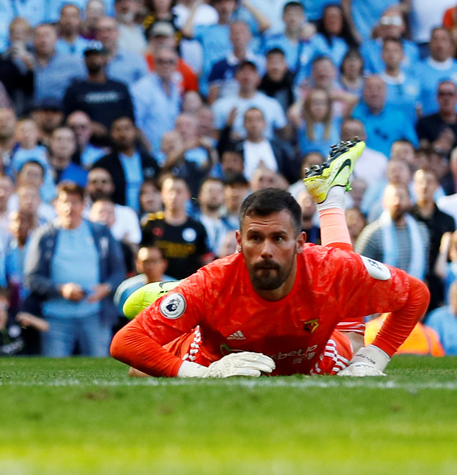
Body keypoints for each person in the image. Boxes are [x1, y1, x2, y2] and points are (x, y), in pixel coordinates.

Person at [111, 141, 431, 378]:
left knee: (353, 345)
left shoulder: (327, 264)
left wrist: (373, 359)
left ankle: (331, 197)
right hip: (214, 355)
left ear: (300, 243)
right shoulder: (212, 282)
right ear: (239, 243)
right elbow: (126, 343)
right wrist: (201, 374)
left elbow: (416, 294)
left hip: (308, 360)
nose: (266, 250)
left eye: (278, 238)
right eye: (255, 238)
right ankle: (177, 298)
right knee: (140, 372)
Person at [24, 181, 125, 357]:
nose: (69, 207)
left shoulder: (100, 232)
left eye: (75, 201)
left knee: (99, 368)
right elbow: (31, 278)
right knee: (55, 371)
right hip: (55, 318)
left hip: (95, 315)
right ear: (56, 205)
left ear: (83, 205)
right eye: (65, 201)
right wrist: (61, 290)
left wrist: (106, 288)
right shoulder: (44, 235)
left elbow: (119, 270)